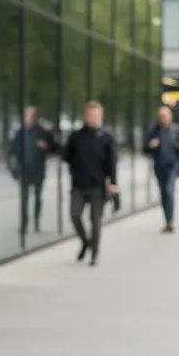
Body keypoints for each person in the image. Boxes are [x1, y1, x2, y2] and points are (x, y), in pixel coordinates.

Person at [63, 101, 118, 267]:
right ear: (84, 116)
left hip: (98, 185)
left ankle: (95, 252)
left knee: (95, 220)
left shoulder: (106, 137)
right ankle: (86, 241)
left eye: (95, 115)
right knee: (74, 215)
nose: (91, 118)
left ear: (100, 117)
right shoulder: (76, 136)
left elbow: (112, 162)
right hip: (79, 184)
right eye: (89, 115)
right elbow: (67, 156)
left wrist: (113, 183)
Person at [10, 106, 58, 233]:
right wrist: (14, 166)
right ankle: (24, 224)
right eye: (28, 115)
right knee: (24, 198)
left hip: (38, 169)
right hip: (24, 170)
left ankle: (36, 222)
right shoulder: (20, 132)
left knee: (37, 196)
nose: (30, 118)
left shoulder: (42, 132)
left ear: (35, 117)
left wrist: (46, 146)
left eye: (32, 116)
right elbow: (13, 150)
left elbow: (55, 147)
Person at [144, 106, 179, 233]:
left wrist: (178, 153)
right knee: (163, 193)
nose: (162, 119)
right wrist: (151, 146)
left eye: (165, 116)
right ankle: (168, 220)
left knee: (169, 191)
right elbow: (145, 148)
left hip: (173, 165)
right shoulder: (154, 131)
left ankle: (171, 221)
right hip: (159, 166)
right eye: (160, 116)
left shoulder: (177, 131)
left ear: (170, 117)